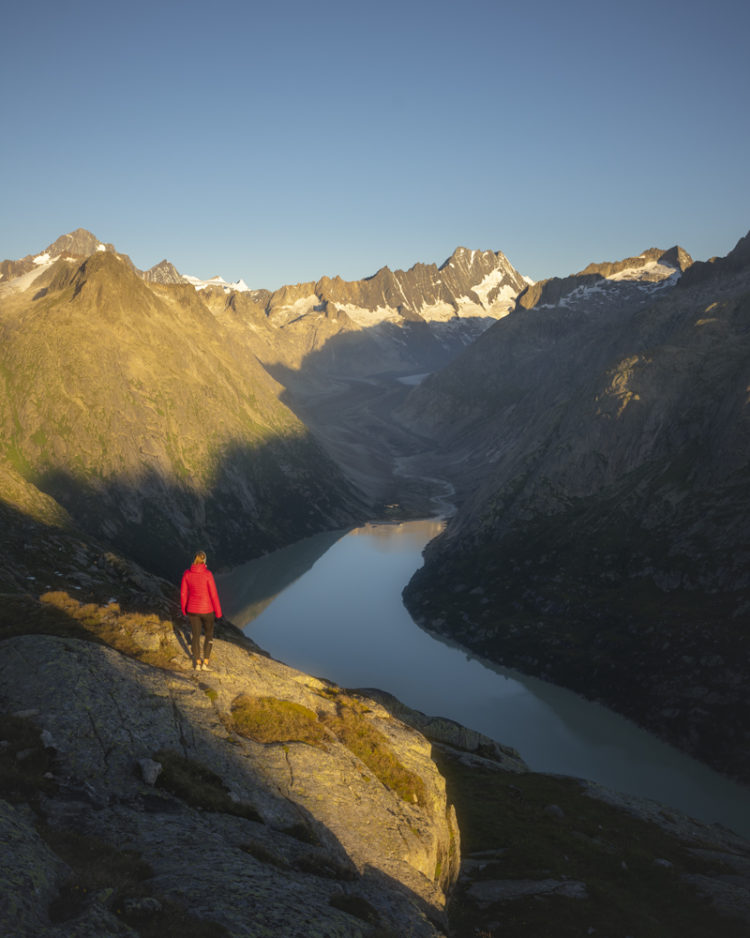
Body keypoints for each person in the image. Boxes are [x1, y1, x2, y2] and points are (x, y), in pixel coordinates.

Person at [180, 550, 222, 671]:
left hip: (192, 610)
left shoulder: (187, 574)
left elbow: (183, 593)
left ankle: (197, 663)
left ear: (194, 559)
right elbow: (213, 594)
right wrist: (218, 612)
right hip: (207, 610)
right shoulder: (208, 574)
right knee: (209, 634)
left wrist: (184, 609)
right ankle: (206, 663)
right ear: (204, 561)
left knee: (196, 636)